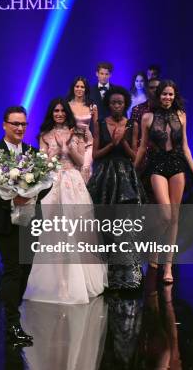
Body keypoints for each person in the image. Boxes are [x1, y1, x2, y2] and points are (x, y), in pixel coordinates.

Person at [23, 98, 107, 304]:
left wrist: (68, 147)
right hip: (52, 183)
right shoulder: (45, 135)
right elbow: (41, 162)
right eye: (56, 110)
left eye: (62, 110)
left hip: (73, 183)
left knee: (76, 233)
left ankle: (78, 282)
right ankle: (60, 282)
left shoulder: (77, 133)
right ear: (52, 113)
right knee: (54, 234)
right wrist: (55, 150)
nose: (59, 113)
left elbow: (80, 162)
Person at [0, 106, 49, 347]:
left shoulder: (33, 153)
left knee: (26, 268)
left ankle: (11, 312)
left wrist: (30, 194)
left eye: (23, 124)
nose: (20, 128)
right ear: (4, 125)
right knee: (13, 269)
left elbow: (47, 182)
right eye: (15, 124)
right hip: (4, 220)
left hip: (30, 218)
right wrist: (11, 197)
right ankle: (13, 323)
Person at [134, 80, 193, 283]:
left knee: (174, 217)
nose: (167, 98)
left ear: (175, 96)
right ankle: (153, 251)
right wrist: (133, 170)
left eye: (171, 95)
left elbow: (186, 147)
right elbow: (142, 147)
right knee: (165, 214)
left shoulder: (181, 116)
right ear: (159, 95)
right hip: (157, 165)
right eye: (164, 94)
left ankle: (168, 267)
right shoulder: (147, 117)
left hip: (177, 165)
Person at [87, 86, 147, 290]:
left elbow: (134, 156)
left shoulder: (133, 124)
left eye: (120, 103)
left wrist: (123, 142)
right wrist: (112, 144)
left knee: (126, 224)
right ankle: (105, 274)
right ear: (108, 104)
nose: (116, 106)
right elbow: (95, 154)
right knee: (105, 223)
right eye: (113, 102)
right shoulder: (100, 123)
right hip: (105, 176)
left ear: (125, 104)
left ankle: (128, 274)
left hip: (126, 176)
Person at [66, 76, 97, 183]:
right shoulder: (67, 105)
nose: (79, 89)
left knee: (86, 168)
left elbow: (97, 126)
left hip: (88, 142)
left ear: (86, 89)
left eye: (82, 87)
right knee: (74, 170)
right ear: (73, 88)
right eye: (77, 86)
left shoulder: (92, 106)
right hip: (72, 140)